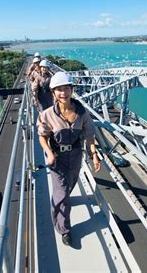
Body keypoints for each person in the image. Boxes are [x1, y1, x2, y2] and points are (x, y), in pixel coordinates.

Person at [37, 71, 101, 247]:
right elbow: (42, 136)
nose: (63, 93)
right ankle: (64, 229)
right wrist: (49, 153)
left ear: (71, 90)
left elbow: (89, 136)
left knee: (69, 187)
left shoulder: (82, 112)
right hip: (57, 158)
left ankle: (61, 203)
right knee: (62, 195)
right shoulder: (47, 115)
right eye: (58, 89)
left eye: (66, 88)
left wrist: (94, 156)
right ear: (53, 93)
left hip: (76, 155)